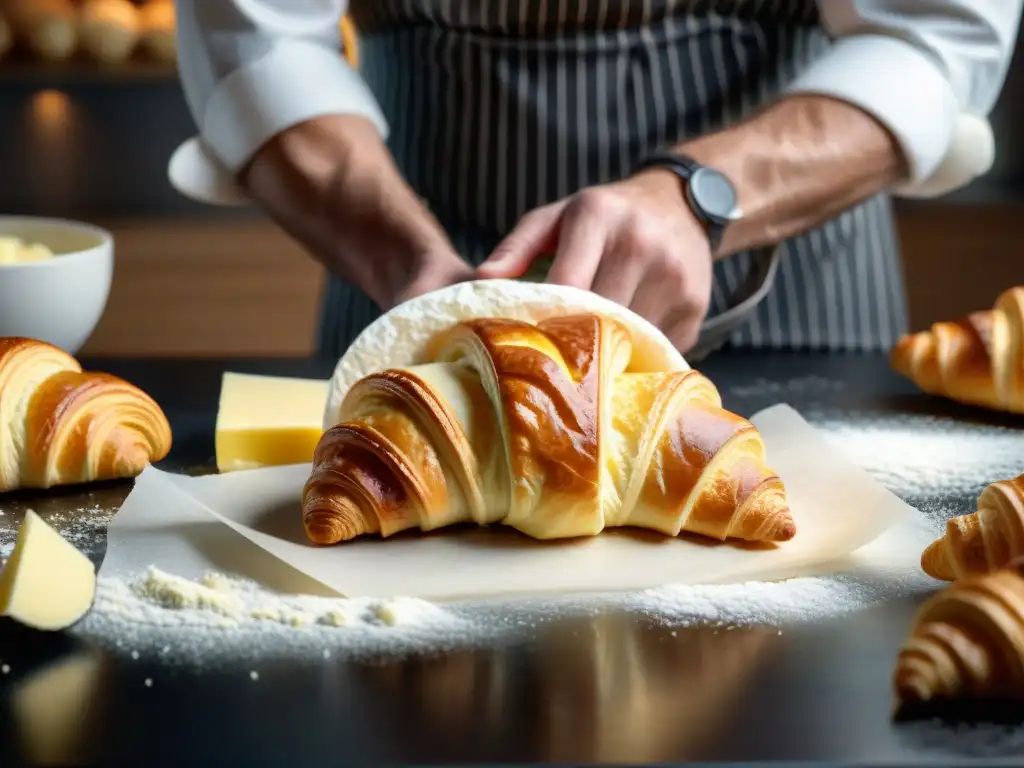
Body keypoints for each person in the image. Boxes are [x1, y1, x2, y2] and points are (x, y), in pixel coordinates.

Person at [169, 1, 1021, 361]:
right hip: (402, 271)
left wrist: (701, 193)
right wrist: (409, 267)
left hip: (790, 303)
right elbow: (261, 46)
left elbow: (933, 36)